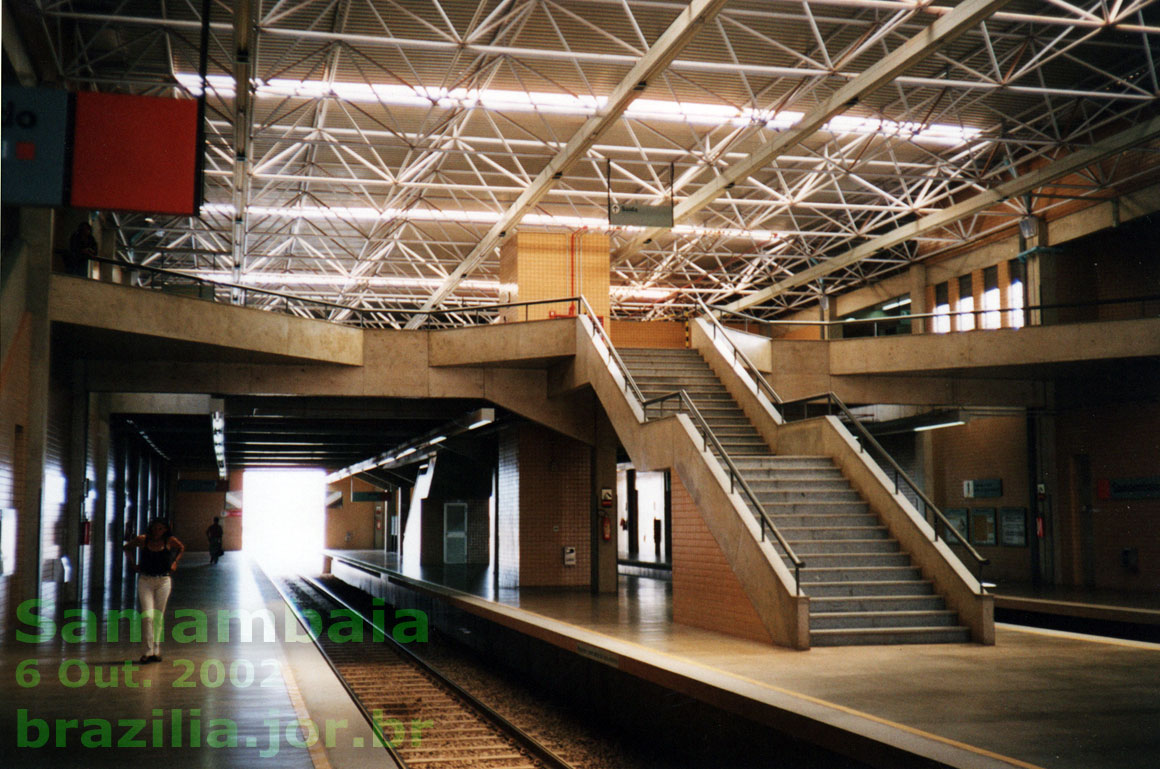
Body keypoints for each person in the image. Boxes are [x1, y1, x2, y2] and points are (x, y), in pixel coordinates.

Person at [123, 519, 184, 663]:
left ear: (165, 530)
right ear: (151, 529)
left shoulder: (169, 541)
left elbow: (181, 547)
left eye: (161, 529)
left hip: (163, 580)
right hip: (146, 580)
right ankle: (147, 650)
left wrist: (175, 562)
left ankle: (156, 649)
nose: (158, 531)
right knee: (147, 615)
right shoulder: (143, 540)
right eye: (155, 528)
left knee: (158, 615)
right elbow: (127, 547)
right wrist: (133, 564)